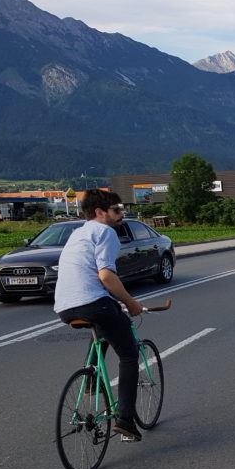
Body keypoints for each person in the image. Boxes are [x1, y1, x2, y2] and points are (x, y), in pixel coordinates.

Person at [54, 189, 145, 441]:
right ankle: (126, 420)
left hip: (64, 306)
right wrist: (129, 301)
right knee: (128, 354)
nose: (122, 216)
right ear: (99, 212)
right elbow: (105, 276)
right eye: (117, 210)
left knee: (103, 328)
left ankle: (92, 379)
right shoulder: (105, 232)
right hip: (93, 302)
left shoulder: (77, 233)